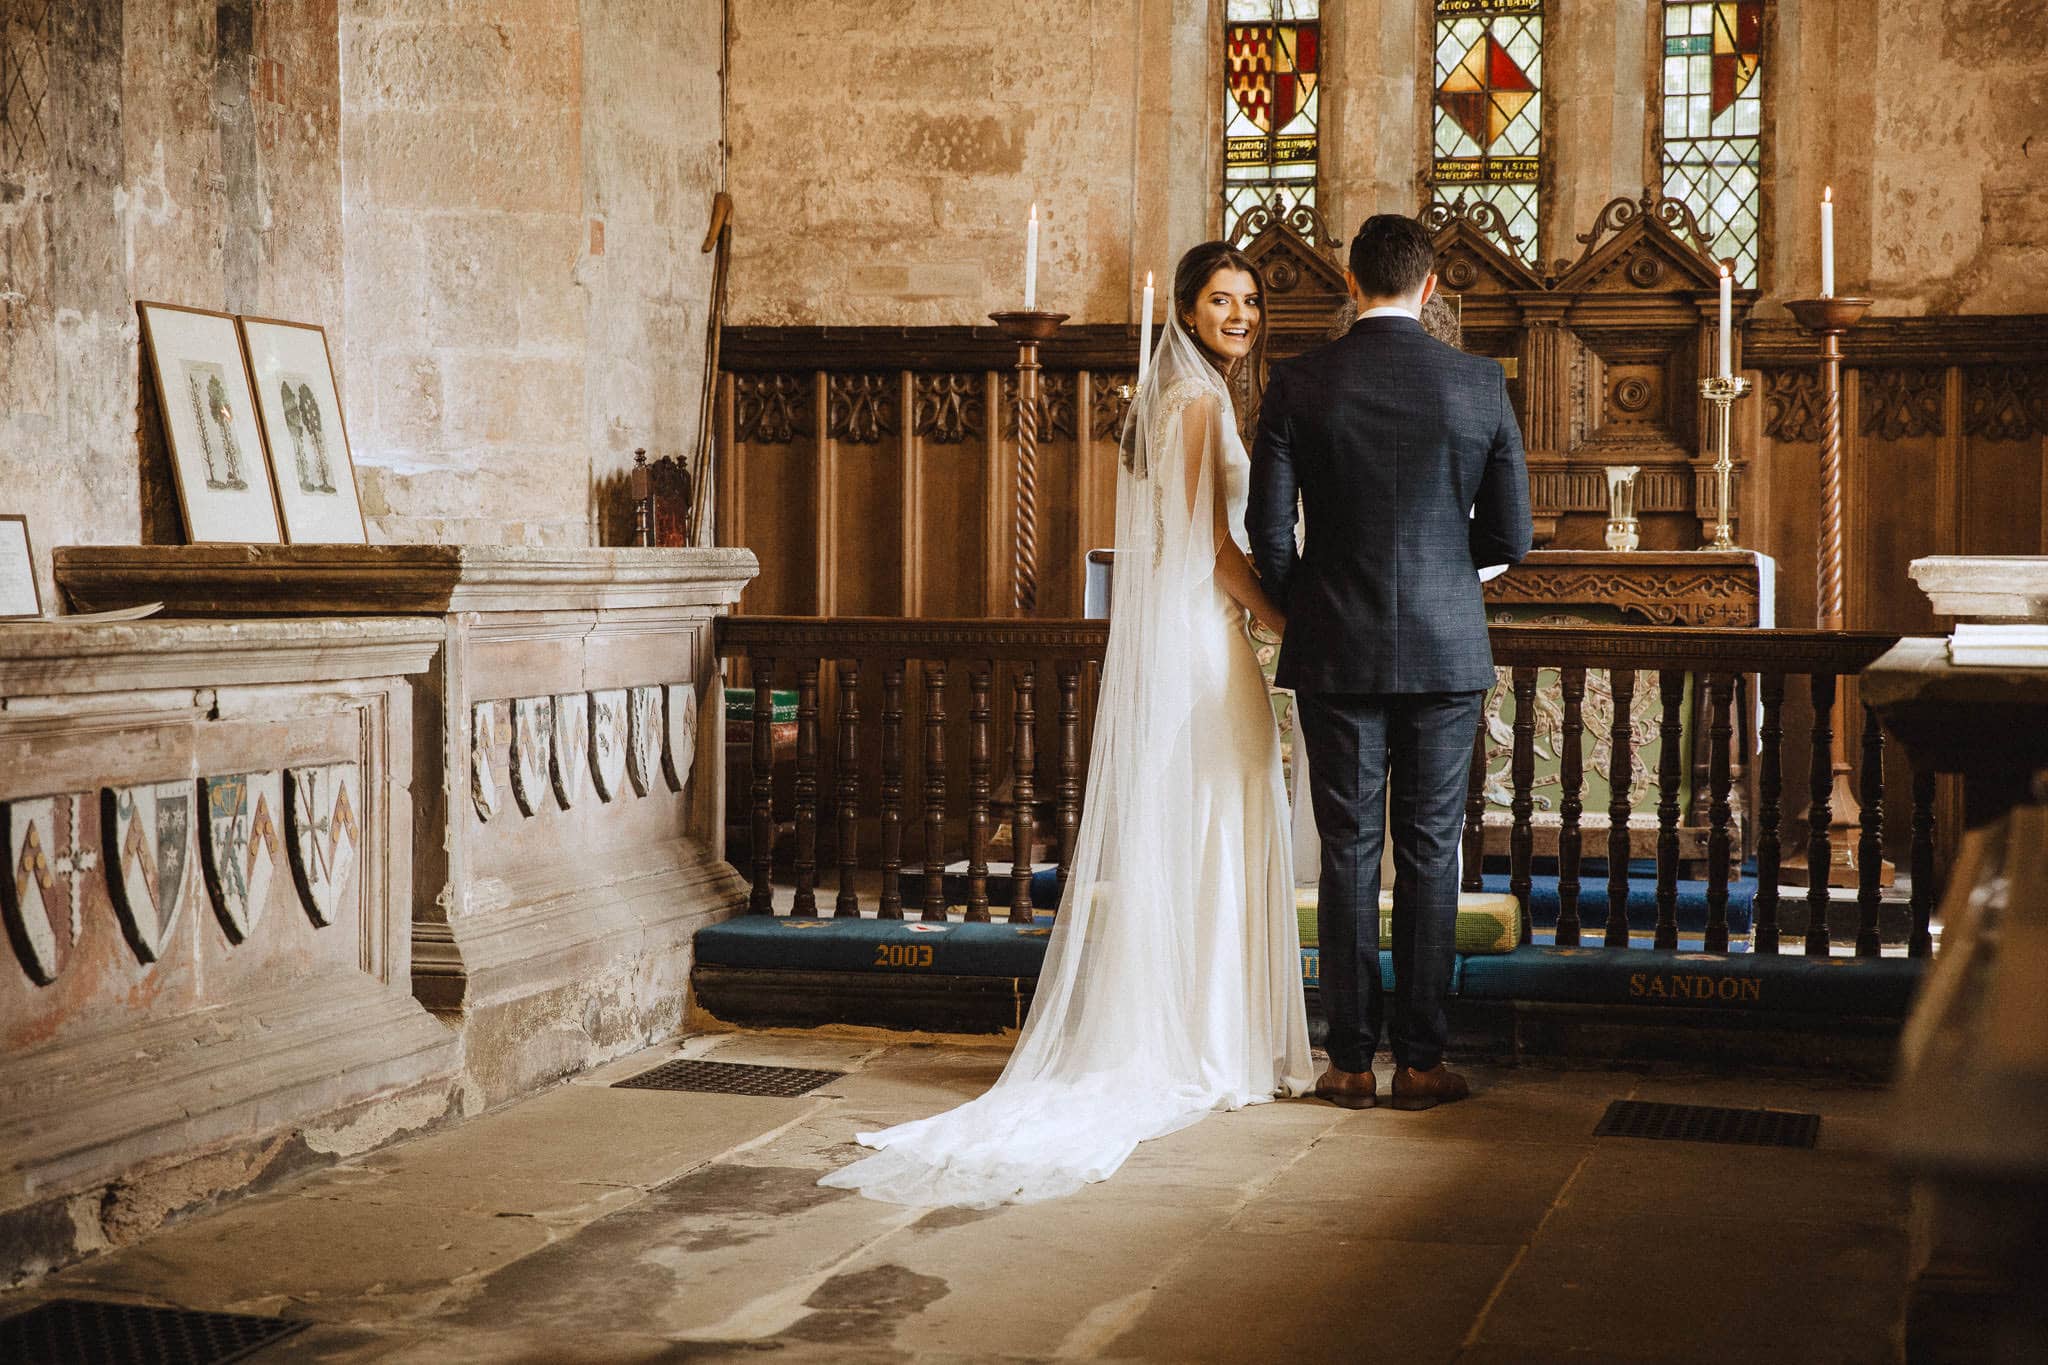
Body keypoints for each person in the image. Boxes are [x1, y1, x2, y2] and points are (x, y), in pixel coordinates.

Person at [819, 242, 1313, 1207]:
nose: (1241, 315)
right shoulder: (1197, 403)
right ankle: (1202, 1039)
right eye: (1222, 300)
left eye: (1250, 301)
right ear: (1184, 309)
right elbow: (1211, 547)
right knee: (1216, 815)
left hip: (1193, 636)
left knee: (1209, 819)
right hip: (1203, 638)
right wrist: (1289, 618)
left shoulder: (1181, 399)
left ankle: (1203, 1027)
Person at [1248, 214, 1532, 1113]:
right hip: (1448, 646)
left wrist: (1313, 600)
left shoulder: (1299, 382)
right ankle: (1421, 1062)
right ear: (1432, 284)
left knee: (1346, 851)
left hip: (1335, 642)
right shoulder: (1479, 383)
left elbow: (1266, 529)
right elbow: (1513, 536)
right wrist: (1448, 570)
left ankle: (1346, 1063)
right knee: (1426, 850)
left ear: (1348, 278)